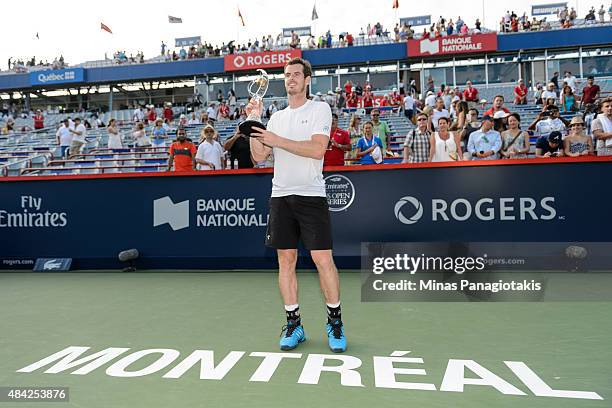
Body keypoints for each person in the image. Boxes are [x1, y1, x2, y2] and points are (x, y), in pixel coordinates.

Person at [248, 57, 346, 353]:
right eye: (287, 75)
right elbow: (258, 157)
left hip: (311, 195)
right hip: (281, 196)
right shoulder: (275, 117)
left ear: (306, 80)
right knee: (286, 261)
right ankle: (294, 323)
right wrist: (256, 122)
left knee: (323, 260)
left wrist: (277, 139)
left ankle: (335, 322)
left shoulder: (320, 109)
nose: (290, 79)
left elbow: (317, 150)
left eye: (295, 75)